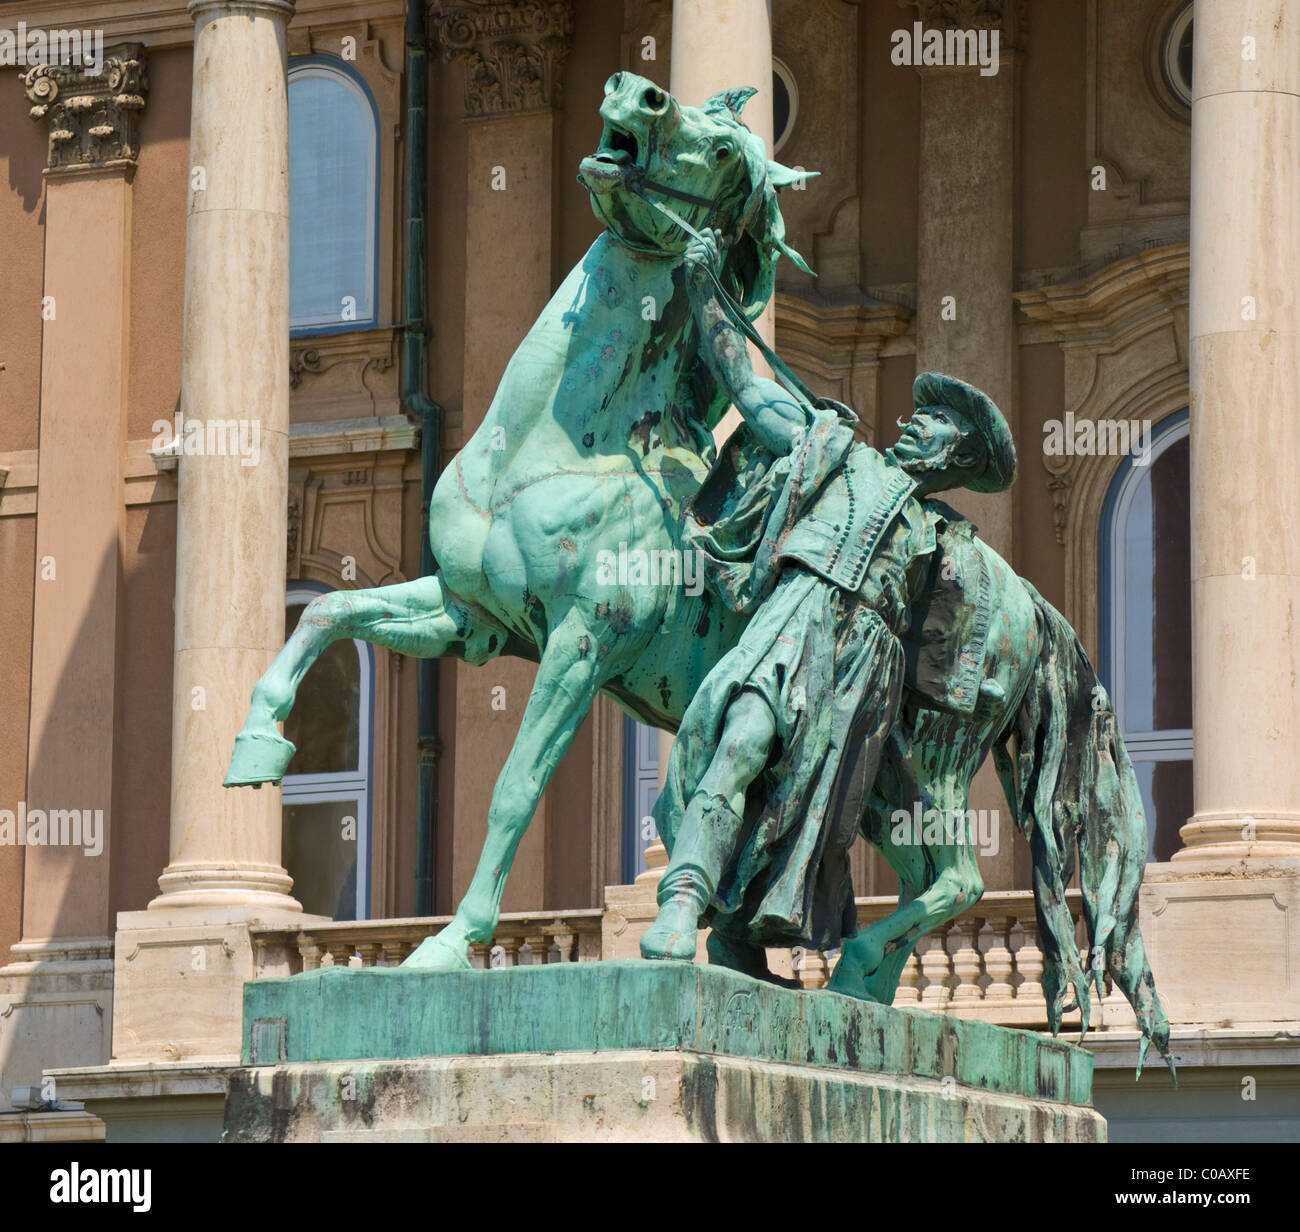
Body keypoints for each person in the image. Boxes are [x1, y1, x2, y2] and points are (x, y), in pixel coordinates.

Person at [640, 227, 1017, 975]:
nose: (914, 419)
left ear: (958, 455)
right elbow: (747, 387)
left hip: (860, 668)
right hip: (798, 615)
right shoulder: (833, 447)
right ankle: (682, 900)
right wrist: (707, 292)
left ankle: (741, 938)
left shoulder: (944, 543)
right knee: (742, 739)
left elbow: (943, 665)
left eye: (935, 419)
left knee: (808, 810)